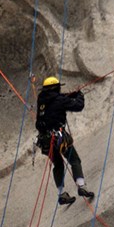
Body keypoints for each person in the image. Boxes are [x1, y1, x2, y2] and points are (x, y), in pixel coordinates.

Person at [35, 76, 94, 205]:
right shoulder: (59, 100)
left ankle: (61, 194)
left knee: (58, 164)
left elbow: (57, 99)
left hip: (44, 140)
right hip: (59, 137)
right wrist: (80, 95)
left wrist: (70, 95)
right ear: (57, 88)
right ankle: (81, 186)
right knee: (74, 160)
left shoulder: (41, 99)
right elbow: (78, 106)